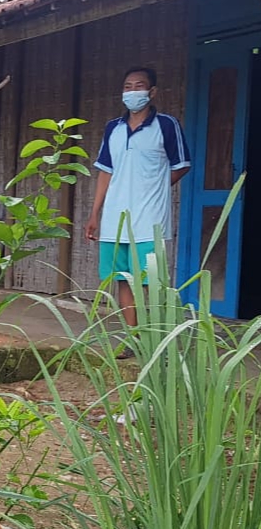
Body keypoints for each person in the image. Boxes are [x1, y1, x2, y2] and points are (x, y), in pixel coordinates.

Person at [85, 66, 191, 358]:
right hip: (115, 219)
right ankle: (132, 339)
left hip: (150, 220)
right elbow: (105, 172)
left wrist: (155, 187)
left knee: (151, 281)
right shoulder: (113, 129)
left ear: (152, 91)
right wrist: (95, 213)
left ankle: (156, 341)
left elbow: (182, 165)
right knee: (123, 280)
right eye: (128, 86)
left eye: (139, 86)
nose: (133, 92)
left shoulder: (167, 126)